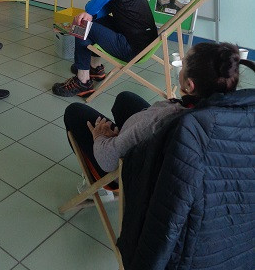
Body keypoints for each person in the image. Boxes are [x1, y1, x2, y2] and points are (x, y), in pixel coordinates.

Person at [64, 42, 252, 180]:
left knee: (74, 111)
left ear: (190, 85)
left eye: (183, 65)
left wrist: (101, 138)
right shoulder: (232, 114)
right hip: (173, 162)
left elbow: (108, 160)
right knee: (125, 99)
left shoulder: (163, 119)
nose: (180, 69)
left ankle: (101, 182)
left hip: (139, 175)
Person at [52, 0, 157, 97]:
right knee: (93, 20)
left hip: (131, 48)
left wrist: (90, 14)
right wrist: (93, 15)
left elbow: (90, 8)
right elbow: (107, 8)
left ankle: (82, 82)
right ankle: (94, 68)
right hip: (145, 43)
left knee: (81, 24)